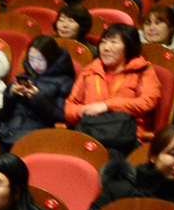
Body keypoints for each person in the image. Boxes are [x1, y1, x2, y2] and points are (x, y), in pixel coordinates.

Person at [64, 23, 160, 153]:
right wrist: (82, 111)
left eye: (113, 43)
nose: (106, 48)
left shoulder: (143, 71)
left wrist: (107, 106)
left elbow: (148, 101)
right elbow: (69, 106)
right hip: (89, 134)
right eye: (103, 42)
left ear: (129, 47)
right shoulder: (90, 70)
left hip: (125, 138)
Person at [0, 34, 77, 147]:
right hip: (8, 129)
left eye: (40, 59)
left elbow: (60, 116)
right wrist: (10, 94)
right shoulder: (23, 77)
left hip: (36, 133)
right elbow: (4, 115)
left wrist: (38, 97)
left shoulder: (64, 82)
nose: (35, 64)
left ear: (51, 58)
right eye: (31, 59)